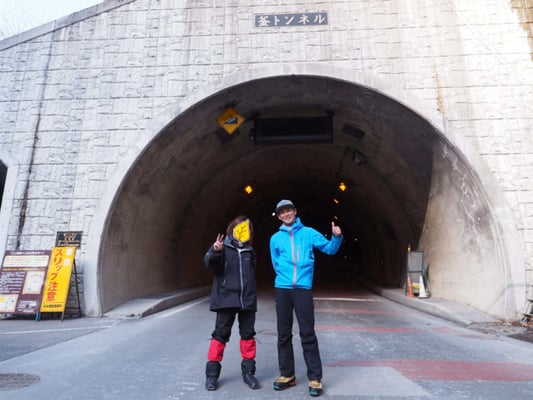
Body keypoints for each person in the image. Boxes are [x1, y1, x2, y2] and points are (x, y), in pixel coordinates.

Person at [270, 199, 343, 397]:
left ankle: (315, 377)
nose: (286, 214)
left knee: (307, 333)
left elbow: (329, 249)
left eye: (288, 210)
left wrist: (337, 237)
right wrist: (285, 278)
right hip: (282, 289)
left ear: (295, 211)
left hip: (302, 289)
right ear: (278, 216)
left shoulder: (309, 233)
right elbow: (275, 263)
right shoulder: (275, 238)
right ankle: (287, 374)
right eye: (282, 212)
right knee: (283, 334)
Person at [203, 215, 260, 391]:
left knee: (248, 336)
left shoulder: (250, 251)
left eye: (247, 228)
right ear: (233, 228)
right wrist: (215, 250)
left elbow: (252, 272)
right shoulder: (223, 248)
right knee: (220, 335)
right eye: (241, 227)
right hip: (226, 299)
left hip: (247, 300)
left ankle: (248, 373)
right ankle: (212, 376)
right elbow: (208, 263)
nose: (244, 231)